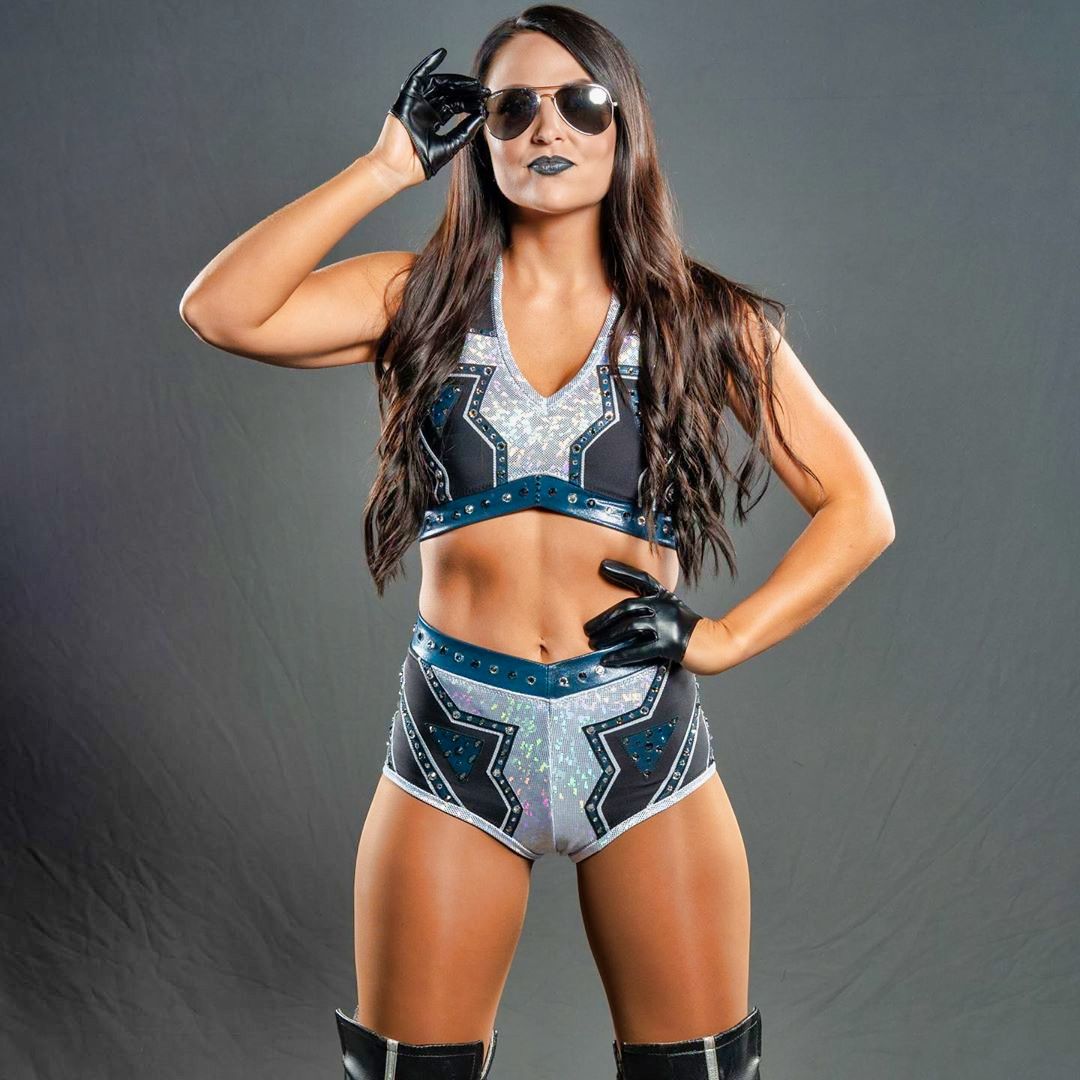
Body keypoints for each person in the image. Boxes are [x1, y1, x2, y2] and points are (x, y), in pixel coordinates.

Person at [179, 7, 894, 1078]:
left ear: (624, 125)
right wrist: (384, 167)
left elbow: (858, 508)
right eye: (512, 108)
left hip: (641, 743)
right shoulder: (417, 298)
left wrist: (725, 639)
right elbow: (221, 311)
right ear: (479, 134)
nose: (546, 129)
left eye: (581, 103)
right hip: (454, 743)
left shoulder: (702, 318)